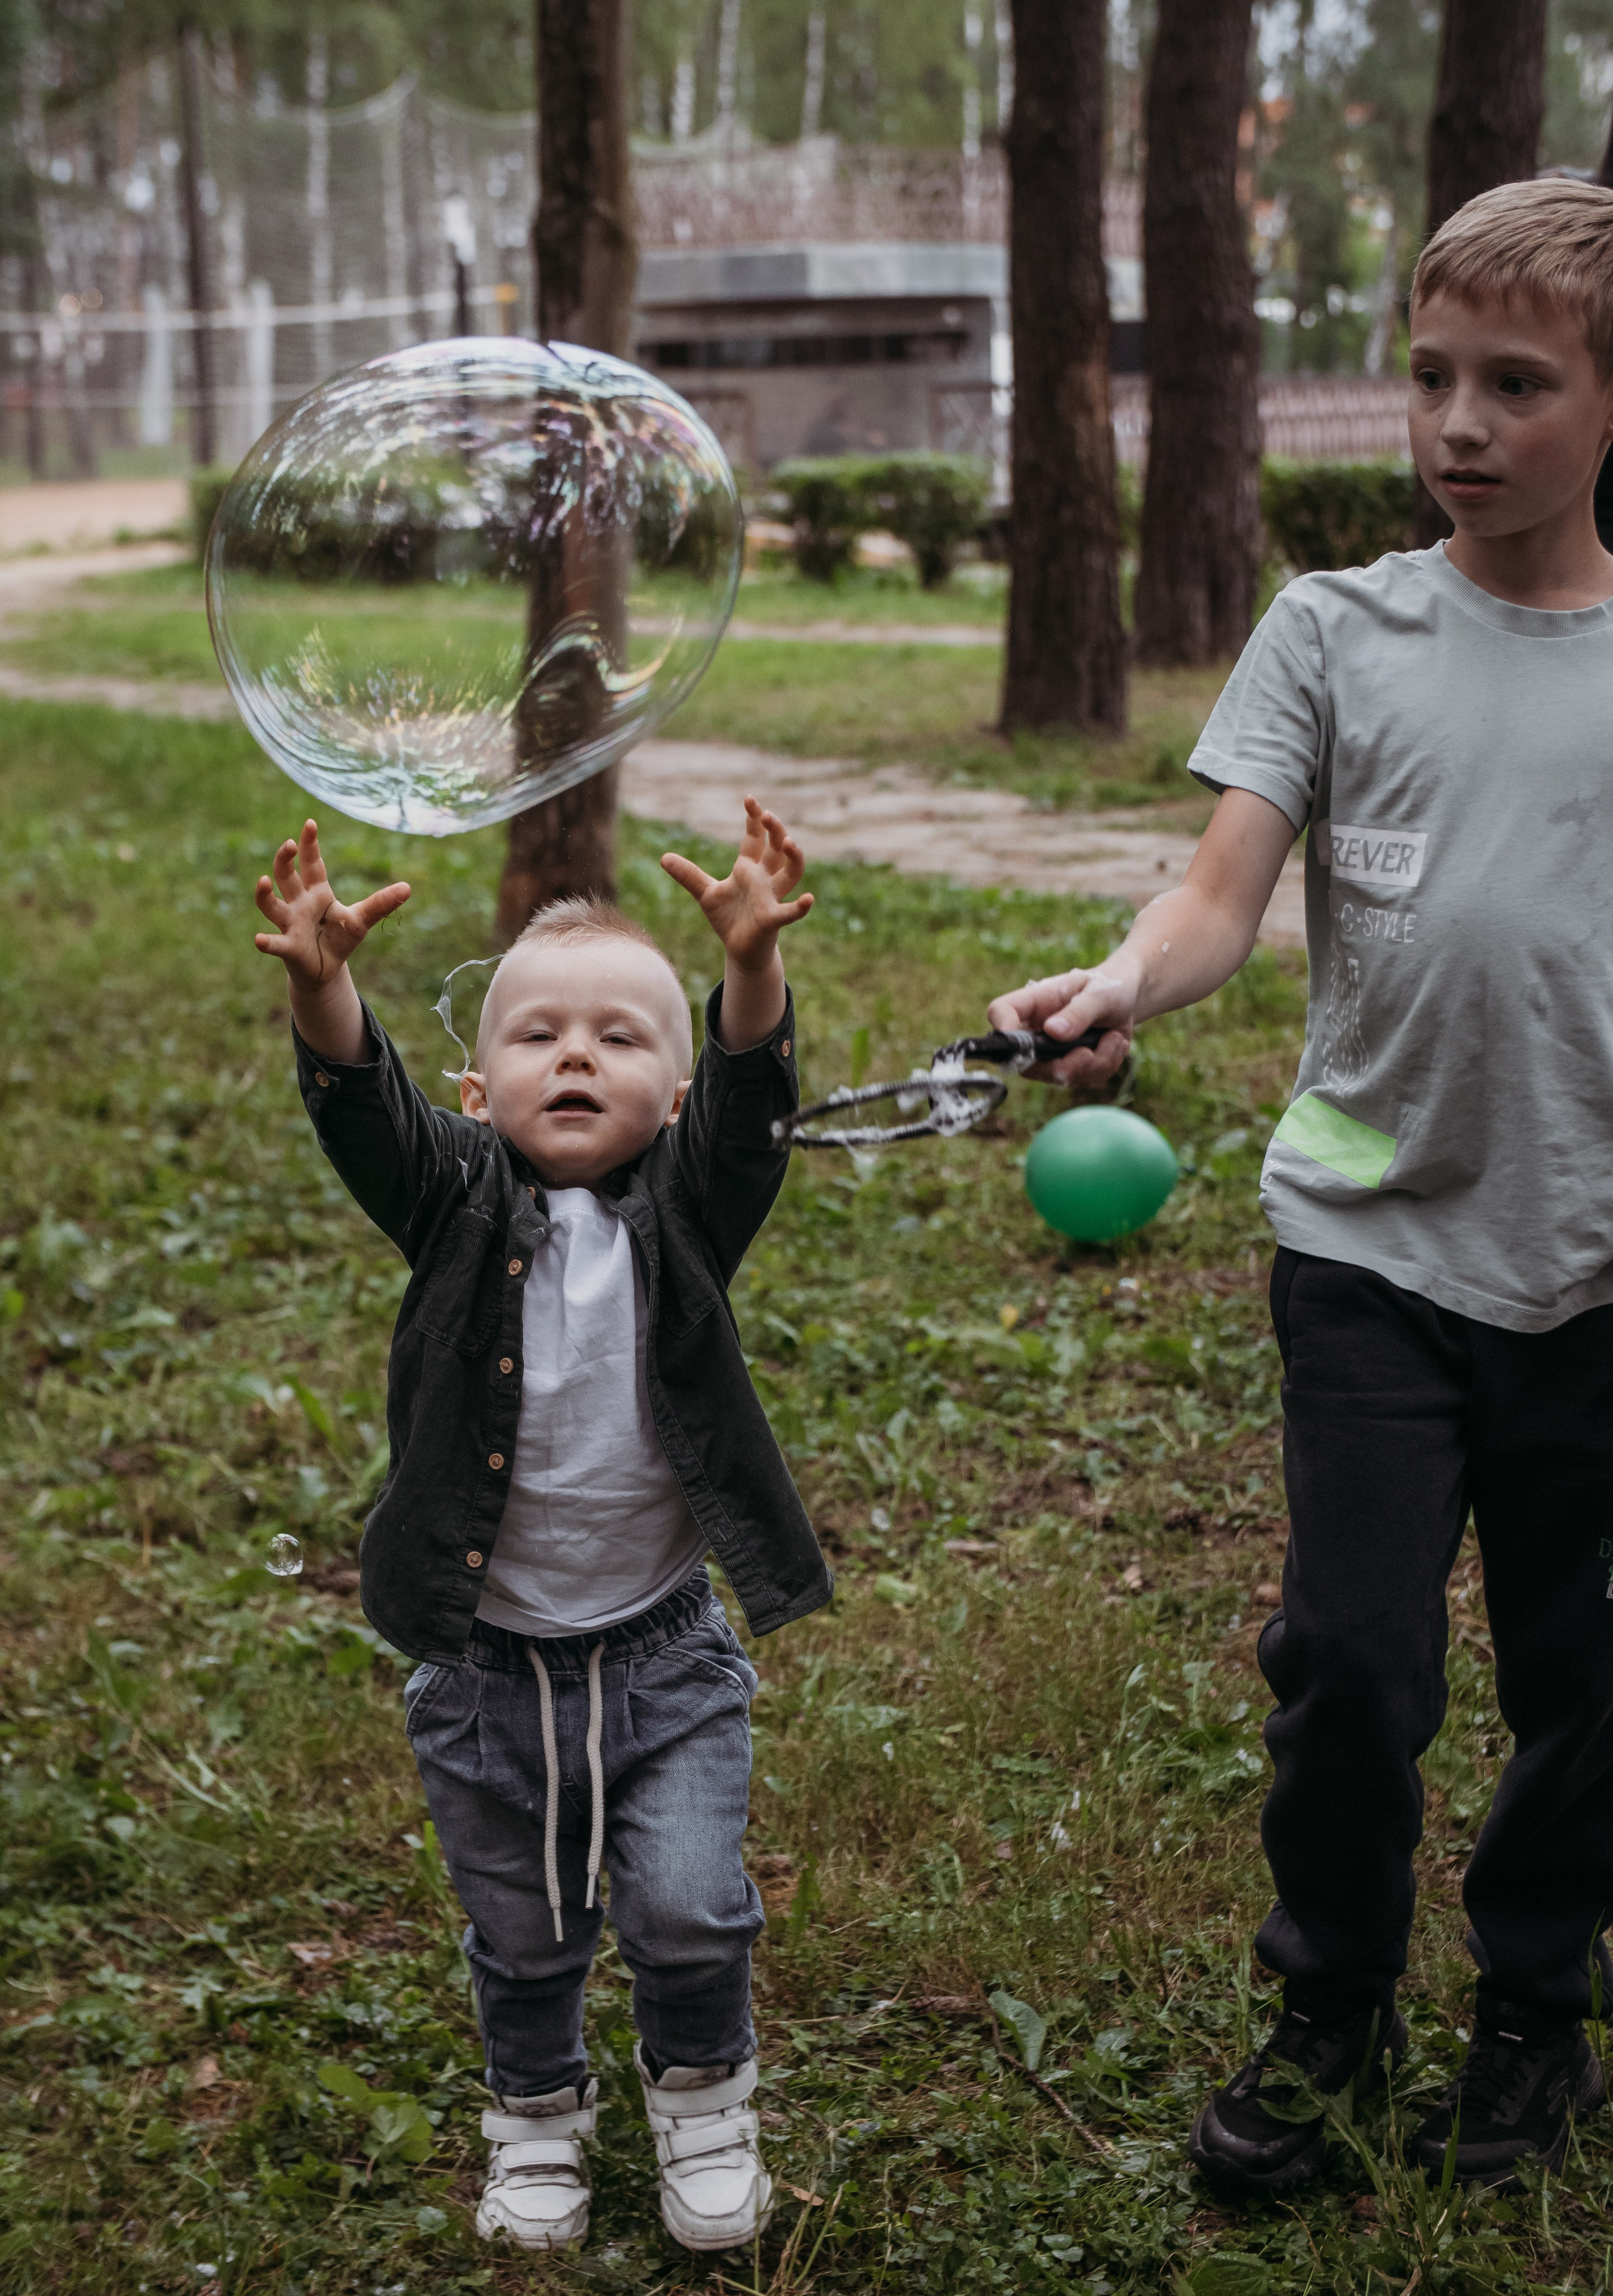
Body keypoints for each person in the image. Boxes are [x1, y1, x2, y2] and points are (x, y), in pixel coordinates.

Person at [985, 177, 1613, 2195]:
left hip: (1595, 1263)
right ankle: (1331, 2009)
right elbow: (1216, 899)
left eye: (1517, 383)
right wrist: (1119, 978)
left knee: (1587, 1678)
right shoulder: (1335, 631)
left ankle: (1535, 2021)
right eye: (1431, 376)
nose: (1459, 422)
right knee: (1350, 1661)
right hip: (1369, 1242)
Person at [252, 797, 829, 2252]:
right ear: (474, 1086)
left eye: (619, 1037)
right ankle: (535, 2117)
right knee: (521, 1928)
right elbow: (362, 1111)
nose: (575, 1055)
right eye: (539, 1035)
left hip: (663, 1658)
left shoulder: (691, 1205)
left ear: (674, 1098)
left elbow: (753, 1107)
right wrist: (324, 985)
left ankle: (703, 2103)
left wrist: (748, 966)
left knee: (688, 1907)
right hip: (483, 1671)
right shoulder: (451, 1196)